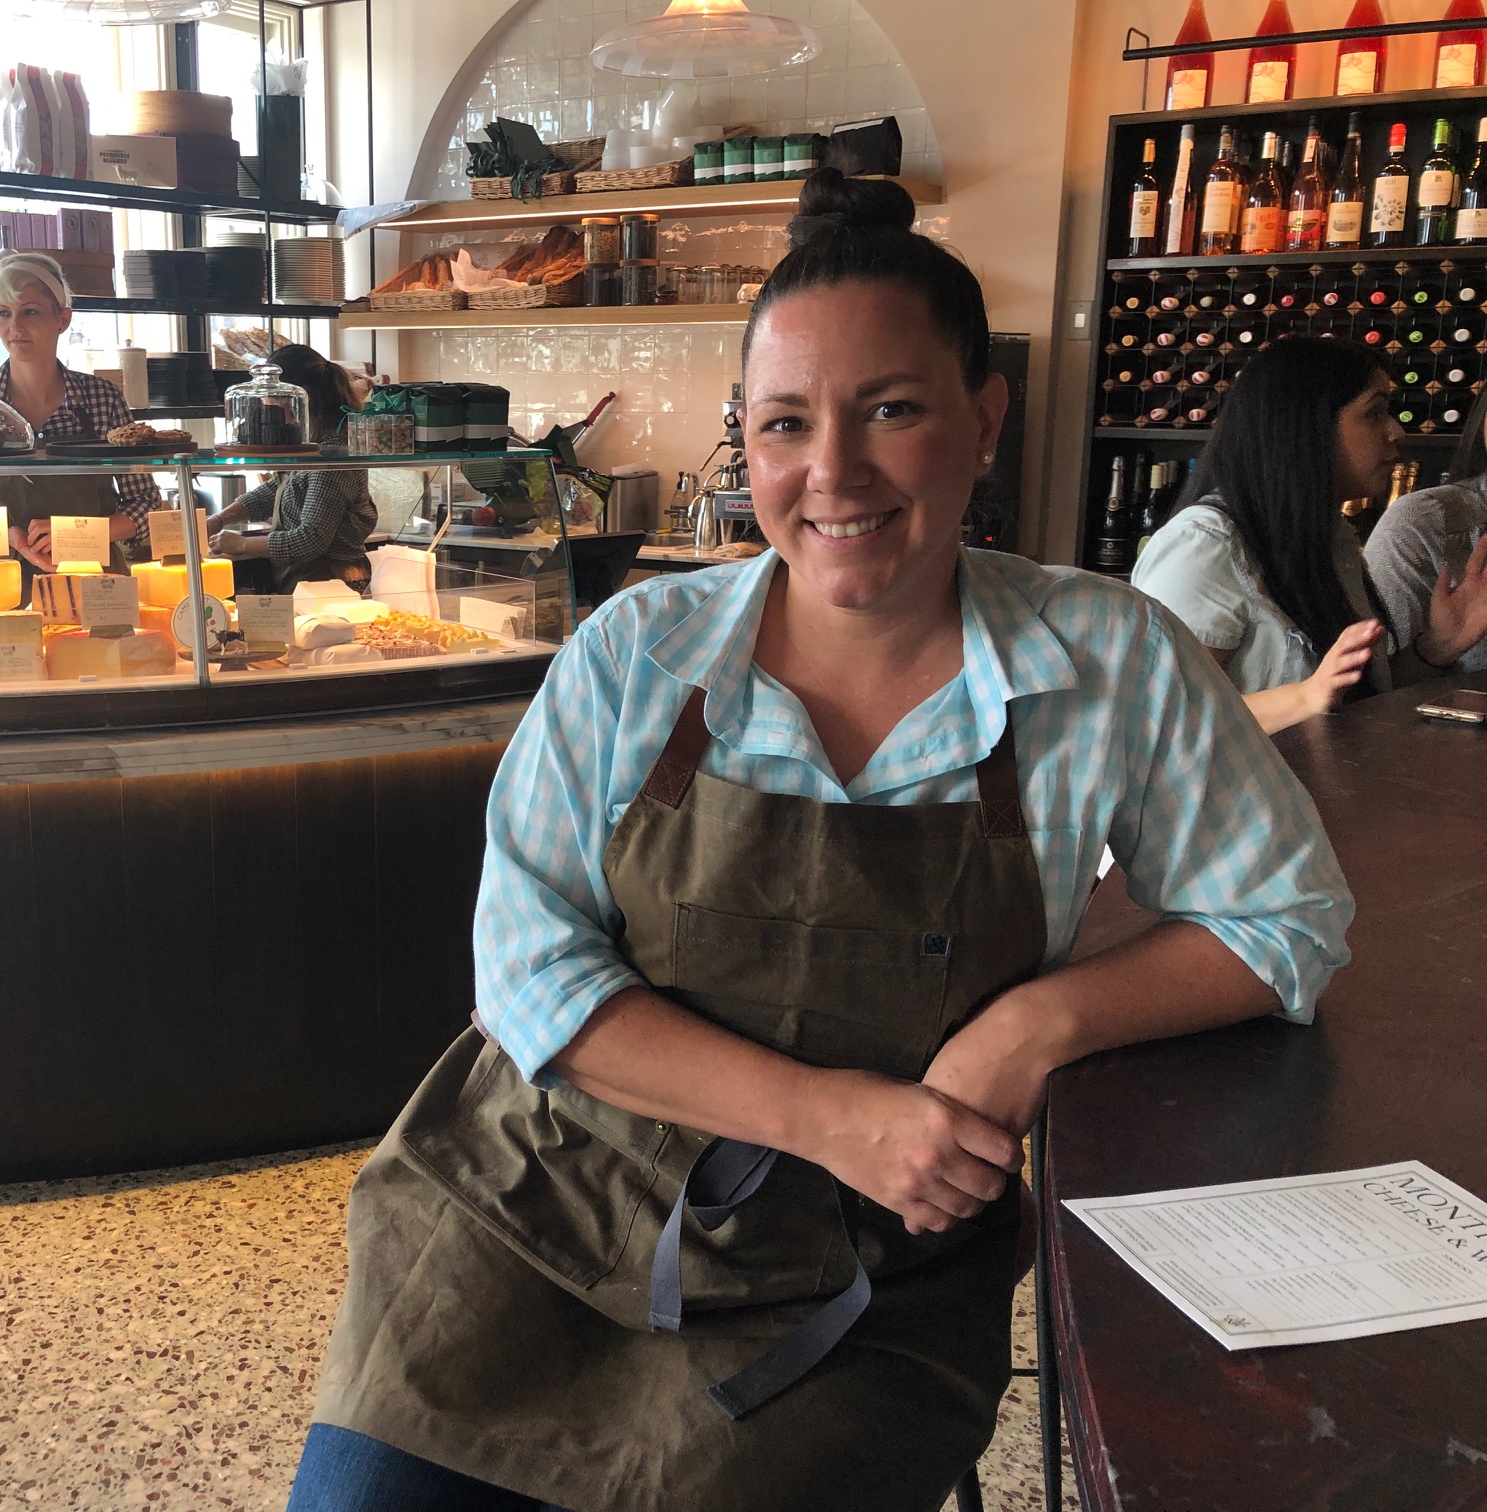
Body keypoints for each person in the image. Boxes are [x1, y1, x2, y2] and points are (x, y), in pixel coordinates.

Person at [287, 171, 1354, 1512]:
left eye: (891, 410)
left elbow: (1286, 920)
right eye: (786, 423)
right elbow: (525, 972)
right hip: (535, 1208)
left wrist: (1036, 1027)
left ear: (984, 419)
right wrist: (837, 1117)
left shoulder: (1111, 662)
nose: (832, 473)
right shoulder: (635, 655)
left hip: (862, 1276)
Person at [1130, 338, 1401, 735]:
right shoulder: (1206, 546)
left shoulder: (1329, 538)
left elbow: (1361, 705)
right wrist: (1303, 699)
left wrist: (1437, 647)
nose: (1396, 431)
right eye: (1374, 413)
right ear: (1303, 426)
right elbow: (1157, 722)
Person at [0, 252, 160, 583]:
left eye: (30, 311)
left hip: (95, 580)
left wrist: (81, 534)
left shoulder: (102, 398)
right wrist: (7, 536)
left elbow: (146, 502)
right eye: (4, 313)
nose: (15, 327)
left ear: (63, 319)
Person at [207, 345, 377, 594]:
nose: (268, 413)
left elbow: (310, 540)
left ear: (302, 397)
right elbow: (280, 486)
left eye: (272, 403)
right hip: (311, 584)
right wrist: (219, 519)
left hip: (334, 586)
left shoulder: (332, 454)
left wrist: (241, 544)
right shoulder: (312, 444)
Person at [1363, 383, 1487, 680]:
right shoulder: (1425, 525)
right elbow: (1375, 691)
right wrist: (1441, 647)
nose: (1395, 432)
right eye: (1374, 413)